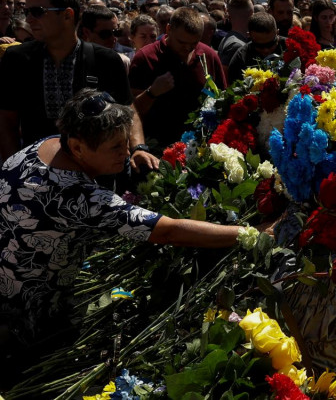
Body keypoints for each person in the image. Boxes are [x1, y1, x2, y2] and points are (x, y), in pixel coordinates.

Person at [0, 89, 251, 356]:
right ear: (77, 147)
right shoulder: (80, 197)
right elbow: (168, 231)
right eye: (115, 147)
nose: (126, 152)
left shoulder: (47, 145)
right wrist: (249, 233)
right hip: (26, 301)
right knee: (30, 356)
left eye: (125, 142)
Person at [0, 0, 159, 173]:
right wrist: (16, 168)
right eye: (27, 11)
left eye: (38, 11)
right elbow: (7, 121)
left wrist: (138, 148)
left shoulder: (106, 60)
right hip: (37, 175)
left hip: (95, 177)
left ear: (67, 15)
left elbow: (127, 109)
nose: (30, 19)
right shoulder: (17, 59)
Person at [129, 6, 227, 148]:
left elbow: (223, 101)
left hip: (202, 148)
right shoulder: (145, 58)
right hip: (158, 149)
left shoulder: (208, 55)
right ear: (168, 30)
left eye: (194, 43)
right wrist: (152, 92)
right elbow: (131, 113)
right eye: (182, 42)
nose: (187, 48)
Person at [227, 12, 286, 82]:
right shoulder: (241, 58)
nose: (266, 50)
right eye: (260, 46)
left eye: (271, 44)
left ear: (277, 33)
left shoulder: (291, 48)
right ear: (249, 36)